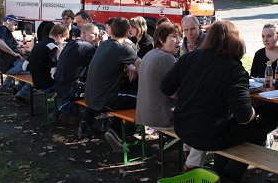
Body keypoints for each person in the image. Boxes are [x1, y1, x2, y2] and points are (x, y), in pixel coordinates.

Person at [161, 20, 267, 183]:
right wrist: (254, 111)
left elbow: (166, 87)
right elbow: (243, 116)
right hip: (210, 134)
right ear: (236, 41)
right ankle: (229, 178)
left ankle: (219, 172)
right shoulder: (235, 70)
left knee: (228, 128)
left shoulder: (188, 58)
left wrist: (190, 98)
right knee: (259, 133)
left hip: (183, 126)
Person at [136, 22, 206, 171]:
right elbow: (177, 94)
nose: (179, 41)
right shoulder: (166, 59)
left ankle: (188, 152)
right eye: (174, 37)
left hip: (144, 114)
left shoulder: (149, 54)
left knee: (192, 118)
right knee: (204, 128)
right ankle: (192, 166)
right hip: (160, 117)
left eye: (180, 37)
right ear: (161, 40)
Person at [82, 18, 141, 149]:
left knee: (126, 96)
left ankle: (115, 129)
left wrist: (129, 66)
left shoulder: (104, 44)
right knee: (142, 101)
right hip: (105, 101)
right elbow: (143, 68)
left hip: (90, 99)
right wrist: (133, 67)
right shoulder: (123, 49)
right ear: (127, 33)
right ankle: (117, 131)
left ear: (111, 31)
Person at [54, 23, 100, 114]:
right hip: (70, 90)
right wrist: (101, 42)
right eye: (94, 34)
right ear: (83, 33)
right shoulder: (86, 47)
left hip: (59, 85)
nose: (97, 37)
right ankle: (63, 109)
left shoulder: (73, 43)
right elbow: (101, 60)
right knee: (100, 91)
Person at [0, 15, 31, 103]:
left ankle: (17, 88)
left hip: (7, 64)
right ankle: (20, 95)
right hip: (9, 66)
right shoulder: (2, 29)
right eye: (15, 24)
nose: (16, 27)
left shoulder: (7, 32)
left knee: (29, 62)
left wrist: (18, 50)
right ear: (8, 21)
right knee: (36, 71)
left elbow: (14, 45)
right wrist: (14, 53)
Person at [25, 24, 69, 92]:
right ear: (60, 36)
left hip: (35, 81)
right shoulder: (53, 47)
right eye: (64, 39)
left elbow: (24, 66)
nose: (63, 41)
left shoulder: (38, 44)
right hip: (47, 84)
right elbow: (54, 73)